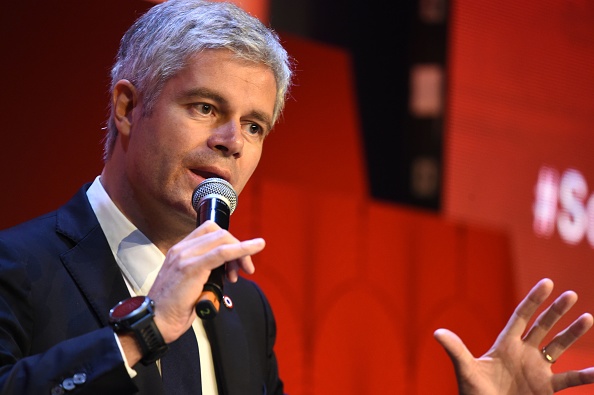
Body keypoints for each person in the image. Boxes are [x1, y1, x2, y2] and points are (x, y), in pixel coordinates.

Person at [0, 1, 593, 395]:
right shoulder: (18, 269)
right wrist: (142, 332)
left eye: (255, 125)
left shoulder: (244, 313)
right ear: (128, 107)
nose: (232, 142)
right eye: (206, 108)